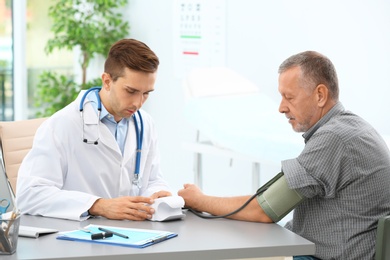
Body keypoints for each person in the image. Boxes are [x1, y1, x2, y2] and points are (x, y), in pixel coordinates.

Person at [178, 51, 390, 260]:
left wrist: (199, 200)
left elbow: (264, 209)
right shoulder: (352, 126)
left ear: (320, 95)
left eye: (289, 97)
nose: (281, 108)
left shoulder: (333, 139)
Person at [16, 38, 172, 221]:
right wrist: (98, 205)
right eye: (131, 91)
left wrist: (158, 193)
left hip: (135, 233)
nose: (138, 103)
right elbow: (29, 195)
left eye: (146, 93)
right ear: (107, 81)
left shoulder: (144, 124)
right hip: (80, 239)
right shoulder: (62, 124)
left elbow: (152, 179)